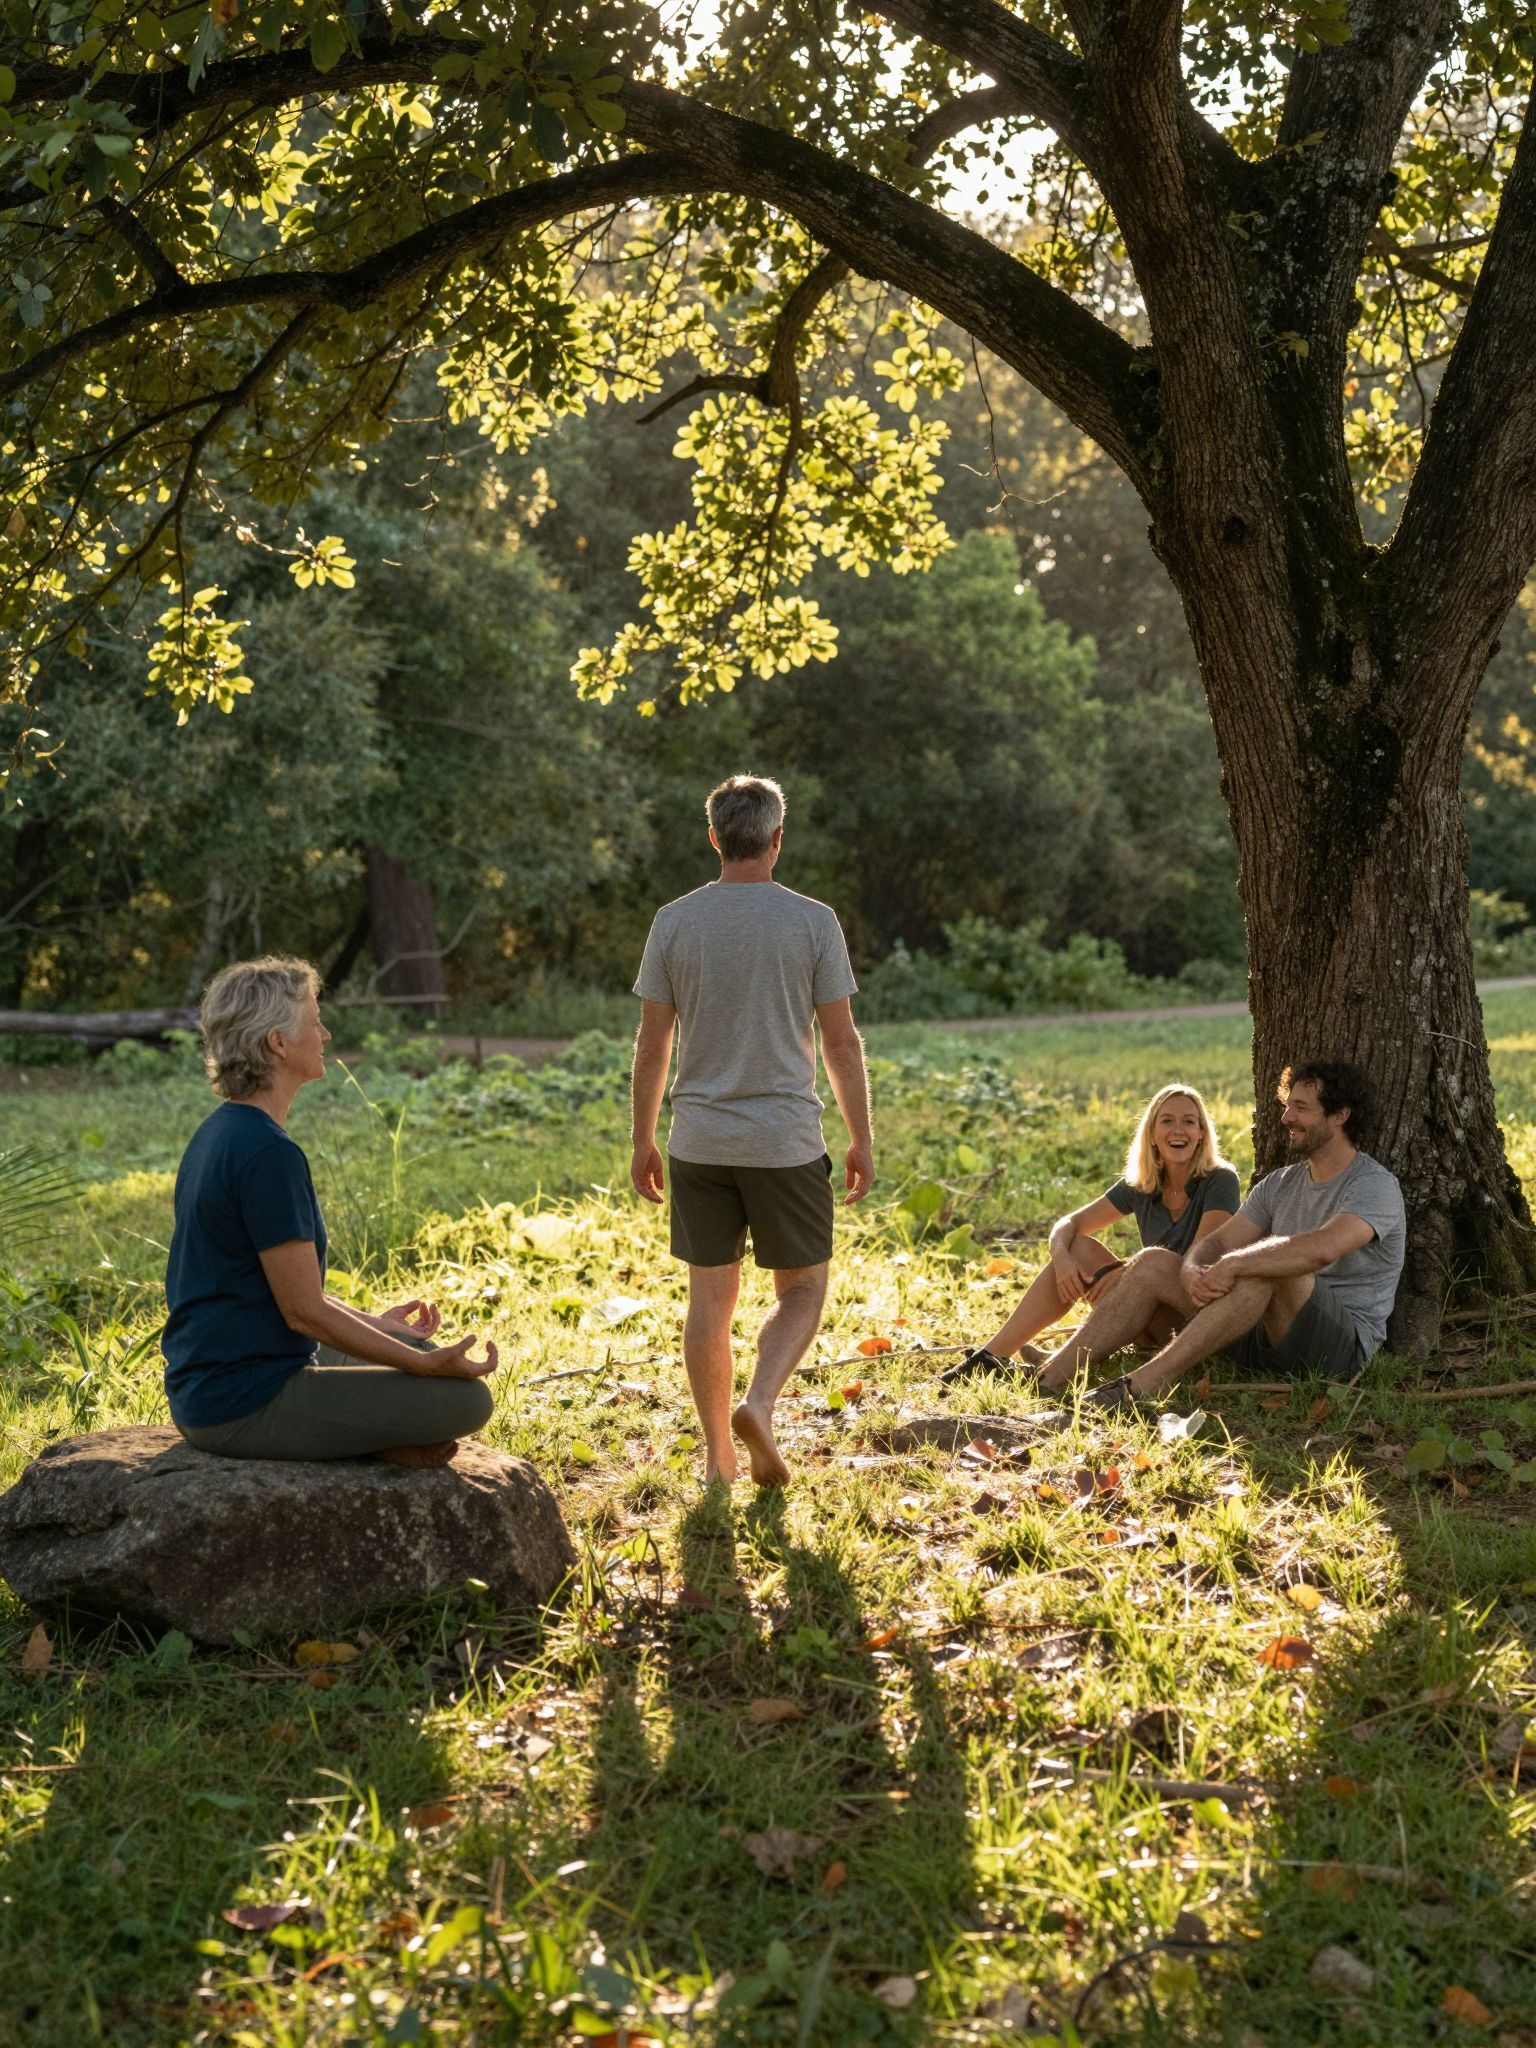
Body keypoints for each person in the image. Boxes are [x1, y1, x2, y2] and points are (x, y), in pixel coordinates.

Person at [630, 775, 874, 1487]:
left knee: (709, 1300)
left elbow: (652, 1045)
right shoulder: (812, 921)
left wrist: (643, 1137)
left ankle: (718, 1458)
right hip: (785, 1143)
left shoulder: (675, 921)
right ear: (776, 839)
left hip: (698, 1142)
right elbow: (841, 1042)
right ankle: (760, 1402)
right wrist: (860, 1136)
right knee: (802, 1288)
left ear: (714, 837)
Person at [163, 956, 498, 1463]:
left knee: (421, 1352)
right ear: (277, 1042)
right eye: (314, 1021)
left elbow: (296, 1297)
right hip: (242, 1402)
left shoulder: (220, 1131)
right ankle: (373, 1444)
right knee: (465, 1399)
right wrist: (416, 1367)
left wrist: (381, 1328)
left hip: (223, 1379)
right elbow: (303, 1313)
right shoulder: (267, 1155)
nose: (326, 1034)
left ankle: (381, 1432)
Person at [1032, 1060, 1405, 1407]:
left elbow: (1322, 1249)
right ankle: (1050, 1376)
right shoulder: (1279, 1184)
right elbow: (1221, 1241)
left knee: (1267, 1267)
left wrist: (1235, 1264)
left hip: (1335, 1351)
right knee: (1152, 1261)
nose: (1286, 1117)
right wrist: (1192, 1266)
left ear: (1340, 1115)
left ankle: (1145, 1383)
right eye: (1288, 1106)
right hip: (1259, 1334)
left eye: (1302, 1108)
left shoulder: (1374, 1186)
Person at [943, 1083, 1239, 1381]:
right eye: (1167, 1121)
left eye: (1189, 1121)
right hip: (1146, 1310)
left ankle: (1053, 1368)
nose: (1178, 1130)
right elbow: (1068, 1224)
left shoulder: (1220, 1180)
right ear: (1151, 1134)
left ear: (1202, 1133)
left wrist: (1129, 1272)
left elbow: (1197, 1260)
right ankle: (990, 1357)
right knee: (1077, 1248)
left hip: (1196, 1317)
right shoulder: (1143, 1183)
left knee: (1150, 1260)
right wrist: (1061, 1257)